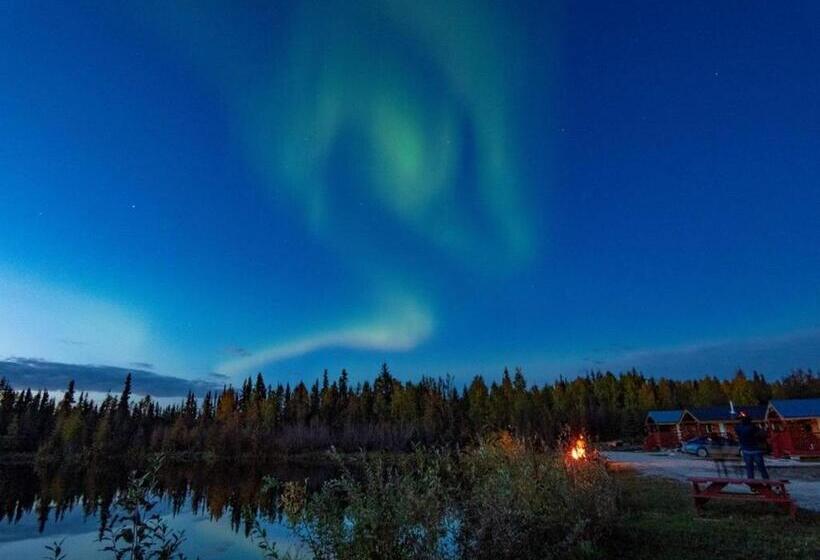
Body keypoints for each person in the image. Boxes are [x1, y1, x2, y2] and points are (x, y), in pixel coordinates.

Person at [734, 413, 769, 479]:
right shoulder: (754, 428)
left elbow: (738, 434)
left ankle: (752, 485)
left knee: (750, 469)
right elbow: (763, 435)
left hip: (746, 451)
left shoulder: (738, 428)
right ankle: (767, 483)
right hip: (756, 450)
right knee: (761, 469)